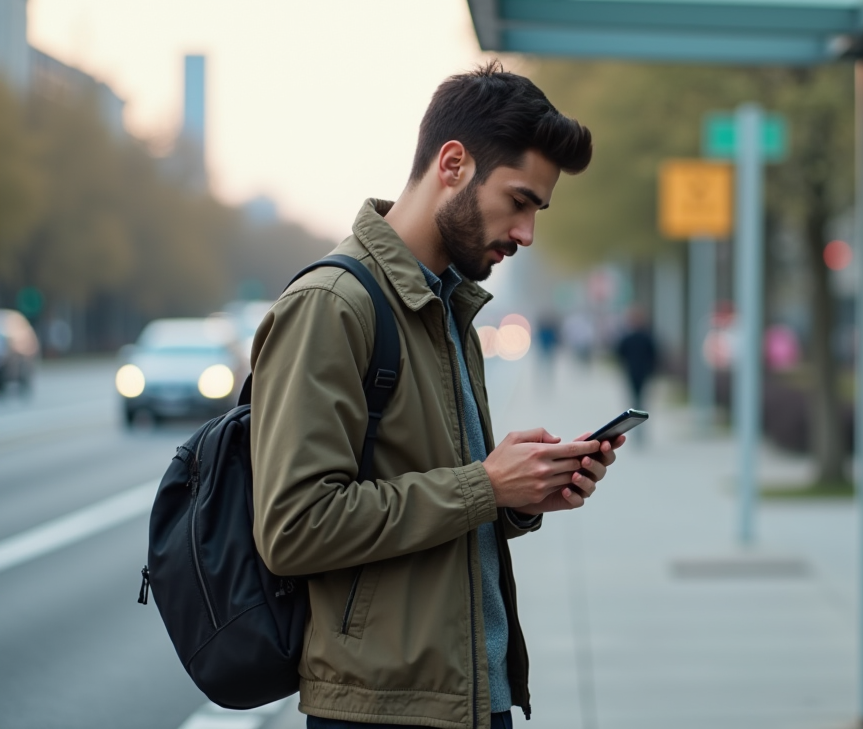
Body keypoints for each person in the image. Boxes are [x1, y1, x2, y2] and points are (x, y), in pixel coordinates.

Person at [249, 62, 624, 729]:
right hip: (383, 710)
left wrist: (523, 493)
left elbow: (438, 496)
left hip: (472, 698)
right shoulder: (334, 306)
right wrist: (485, 485)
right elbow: (294, 527)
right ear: (452, 164)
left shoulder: (447, 305)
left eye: (537, 210)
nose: (526, 233)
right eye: (518, 201)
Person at [615, 306, 658, 413]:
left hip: (641, 370)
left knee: (640, 394)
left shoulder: (645, 337)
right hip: (634, 370)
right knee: (635, 394)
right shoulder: (630, 337)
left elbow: (653, 354)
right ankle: (636, 410)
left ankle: (637, 410)